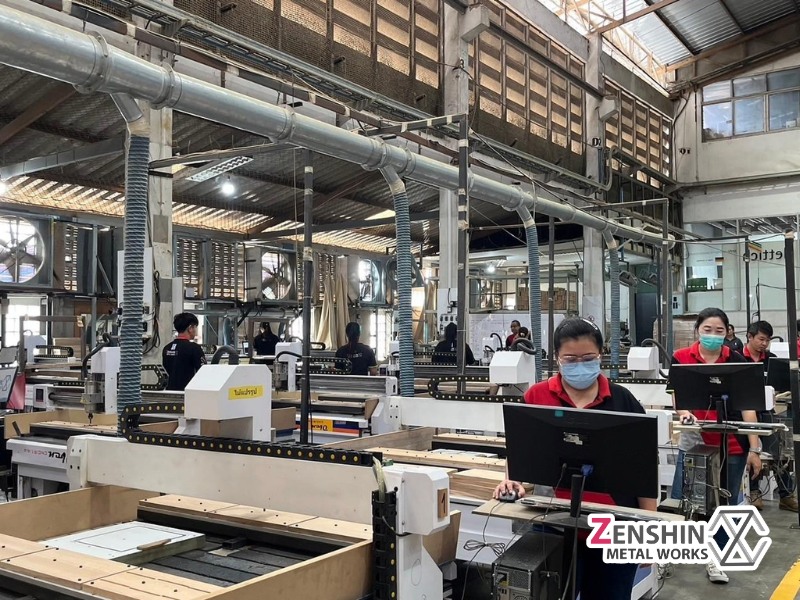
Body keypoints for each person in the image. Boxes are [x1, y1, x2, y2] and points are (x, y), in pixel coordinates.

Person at [494, 318, 656, 600]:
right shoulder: (537, 396)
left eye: (588, 358)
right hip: (552, 523)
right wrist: (511, 480)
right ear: (557, 358)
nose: (580, 365)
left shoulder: (623, 401)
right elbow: (522, 448)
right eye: (570, 359)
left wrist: (648, 530)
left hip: (614, 528)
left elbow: (643, 468)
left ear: (600, 355)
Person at [667, 307, 762, 585]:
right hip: (694, 440)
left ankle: (716, 558)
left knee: (725, 503)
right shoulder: (681, 358)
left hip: (731, 444)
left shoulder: (736, 359)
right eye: (707, 329)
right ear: (698, 330)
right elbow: (677, 396)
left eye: (719, 330)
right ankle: (667, 555)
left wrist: (754, 448)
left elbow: (748, 406)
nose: (713, 335)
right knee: (683, 499)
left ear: (727, 332)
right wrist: (683, 412)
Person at [741, 320, 797, 512]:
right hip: (743, 412)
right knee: (751, 451)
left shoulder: (771, 359)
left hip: (766, 412)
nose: (764, 344)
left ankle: (786, 495)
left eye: (768, 340)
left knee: (779, 452)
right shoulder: (738, 358)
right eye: (761, 339)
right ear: (749, 337)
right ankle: (754, 492)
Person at [162, 312, 206, 391]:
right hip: (187, 393)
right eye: (195, 327)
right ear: (190, 328)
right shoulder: (194, 348)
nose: (196, 330)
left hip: (169, 393)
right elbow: (203, 372)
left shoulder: (166, 348)